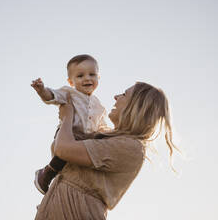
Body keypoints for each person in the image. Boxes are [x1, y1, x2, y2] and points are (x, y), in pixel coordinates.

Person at [35, 82, 178, 220]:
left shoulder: (130, 147)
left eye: (124, 94)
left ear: (137, 106)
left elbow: (63, 149)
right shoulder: (106, 138)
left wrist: (67, 117)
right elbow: (59, 149)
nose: (116, 96)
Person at [31, 54, 108, 195]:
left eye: (92, 74)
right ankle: (47, 173)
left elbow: (102, 126)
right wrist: (42, 90)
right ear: (71, 81)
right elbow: (52, 96)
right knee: (67, 154)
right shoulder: (69, 93)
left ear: (98, 77)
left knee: (94, 147)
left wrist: (107, 135)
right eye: (80, 76)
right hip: (68, 133)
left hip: (86, 139)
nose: (87, 78)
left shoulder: (99, 105)